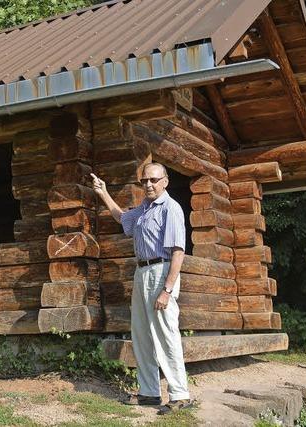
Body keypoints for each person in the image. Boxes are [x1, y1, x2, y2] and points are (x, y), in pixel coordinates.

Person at [91, 163, 192, 414]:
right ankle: (149, 393)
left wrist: (167, 290)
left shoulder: (171, 209)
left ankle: (180, 394)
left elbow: (178, 252)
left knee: (166, 334)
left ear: (165, 181)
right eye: (144, 180)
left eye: (154, 180)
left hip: (162, 272)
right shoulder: (144, 209)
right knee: (142, 335)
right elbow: (121, 218)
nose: (148, 184)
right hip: (142, 272)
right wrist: (103, 192)